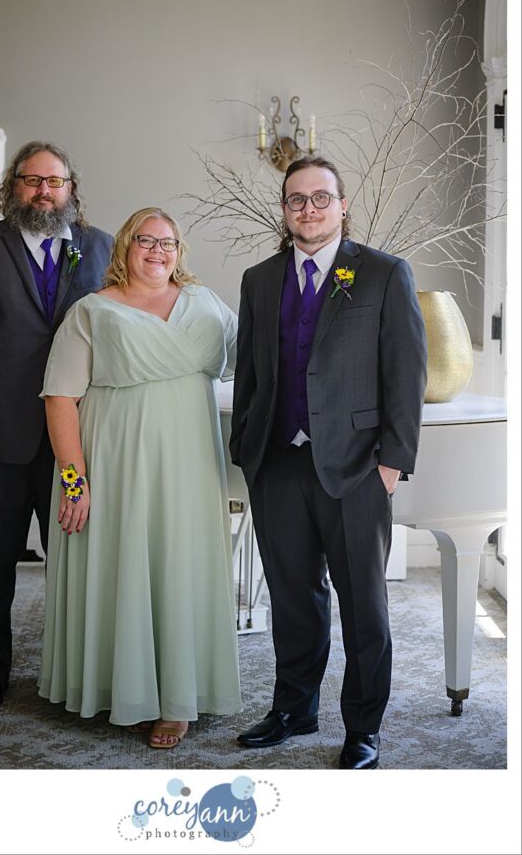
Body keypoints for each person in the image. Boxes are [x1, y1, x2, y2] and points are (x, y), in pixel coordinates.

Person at [230, 155, 427, 769]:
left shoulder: (384, 274)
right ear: (284, 209)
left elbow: (406, 374)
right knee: (292, 596)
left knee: (363, 603)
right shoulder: (259, 280)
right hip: (279, 466)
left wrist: (391, 464)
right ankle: (294, 707)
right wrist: (248, 450)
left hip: (358, 468)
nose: (308, 209)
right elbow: (253, 377)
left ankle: (363, 727)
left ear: (343, 206)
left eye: (321, 198)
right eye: (296, 199)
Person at [38, 207, 241, 749]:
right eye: (146, 241)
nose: (157, 251)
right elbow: (60, 397)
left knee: (180, 564)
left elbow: (252, 364)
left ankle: (177, 699)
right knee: (120, 561)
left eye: (168, 242)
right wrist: (76, 484)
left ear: (180, 251)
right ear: (125, 248)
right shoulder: (92, 311)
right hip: (115, 459)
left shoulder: (208, 305)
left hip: (190, 463)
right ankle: (117, 685)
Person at [0, 141, 113, 712]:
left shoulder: (102, 248)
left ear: (71, 189)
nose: (44, 191)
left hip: (77, 441)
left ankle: (74, 674)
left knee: (78, 564)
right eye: (33, 181)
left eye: (55, 182)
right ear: (13, 187)